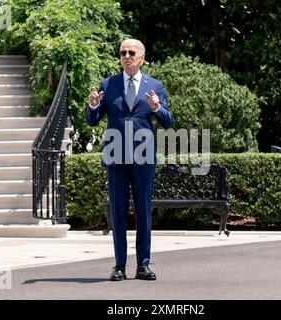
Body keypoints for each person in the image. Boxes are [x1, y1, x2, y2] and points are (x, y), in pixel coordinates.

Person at [86, 39, 173, 281]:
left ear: (141, 58)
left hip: (143, 158)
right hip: (116, 158)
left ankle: (143, 265)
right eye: (123, 52)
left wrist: (156, 107)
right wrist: (93, 106)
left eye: (131, 53)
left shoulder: (154, 86)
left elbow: (168, 121)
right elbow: (93, 119)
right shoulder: (109, 84)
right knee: (118, 212)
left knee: (144, 212)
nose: (126, 56)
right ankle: (119, 266)